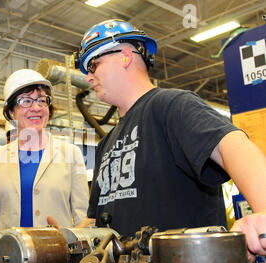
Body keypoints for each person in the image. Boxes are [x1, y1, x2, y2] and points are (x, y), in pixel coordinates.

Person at [74, 19, 266, 243]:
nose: (88, 77)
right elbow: (95, 219)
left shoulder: (171, 105)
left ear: (125, 56)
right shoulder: (106, 144)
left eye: (94, 65)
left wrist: (263, 211)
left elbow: (233, 146)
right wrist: (71, 238)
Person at [0, 69, 94, 263]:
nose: (36, 107)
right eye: (25, 101)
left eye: (42, 100)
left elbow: (84, 226)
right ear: (11, 110)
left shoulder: (71, 154)